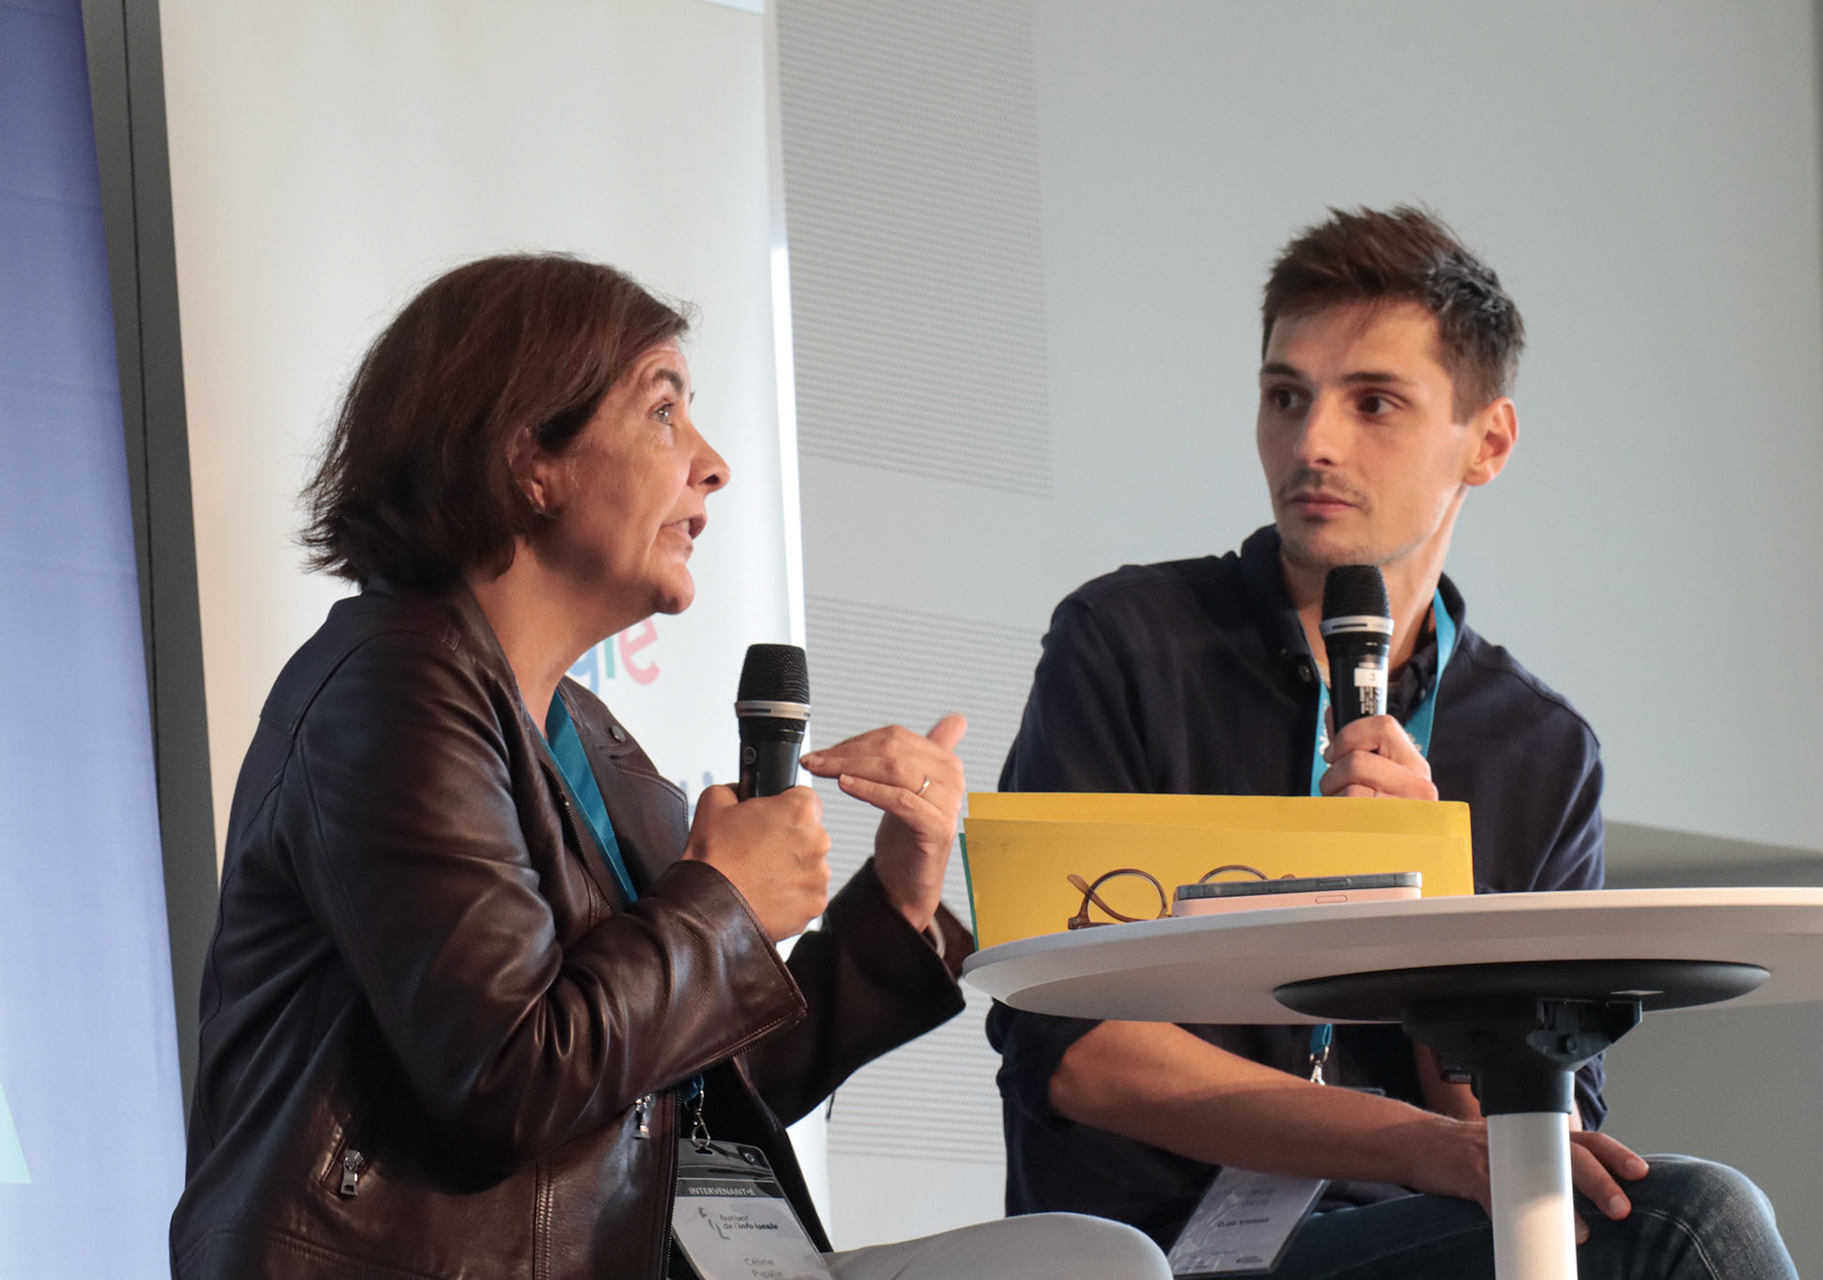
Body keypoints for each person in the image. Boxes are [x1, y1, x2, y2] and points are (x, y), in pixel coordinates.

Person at [169, 254, 1170, 1280]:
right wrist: (725, 897)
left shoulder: (583, 732)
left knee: (1095, 1261)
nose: (713, 463)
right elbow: (510, 1075)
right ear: (530, 458)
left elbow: (691, 1081)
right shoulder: (392, 689)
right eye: (663, 413)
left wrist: (898, 904)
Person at [987, 207, 1798, 1278]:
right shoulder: (1129, 639)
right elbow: (1075, 1047)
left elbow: (1533, 1121)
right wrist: (1424, 1145)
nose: (1312, 441)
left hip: (1417, 1235)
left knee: (1659, 1210)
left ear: (1488, 441)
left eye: (1374, 402)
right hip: (1160, 1251)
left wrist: (1439, 923)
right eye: (1286, 396)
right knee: (1696, 1222)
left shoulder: (1541, 748)